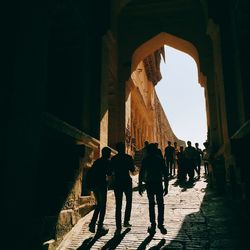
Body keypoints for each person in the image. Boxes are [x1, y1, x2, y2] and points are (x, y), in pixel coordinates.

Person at [139, 143, 169, 235]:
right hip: (158, 183)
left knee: (151, 204)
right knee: (160, 204)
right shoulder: (160, 160)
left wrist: (140, 185)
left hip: (150, 184)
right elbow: (165, 174)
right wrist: (166, 186)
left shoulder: (146, 159)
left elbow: (141, 173)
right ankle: (161, 224)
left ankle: (153, 224)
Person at [110, 142, 136, 235]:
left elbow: (110, 171)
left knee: (118, 204)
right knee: (129, 202)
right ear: (124, 148)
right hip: (126, 181)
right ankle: (126, 221)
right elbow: (132, 170)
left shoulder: (114, 158)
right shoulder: (128, 158)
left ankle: (118, 225)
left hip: (118, 182)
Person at [88, 147, 112, 235]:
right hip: (102, 185)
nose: (110, 155)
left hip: (95, 186)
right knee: (103, 205)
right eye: (109, 153)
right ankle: (100, 226)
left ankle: (92, 223)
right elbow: (109, 173)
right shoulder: (107, 162)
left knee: (99, 204)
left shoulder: (97, 161)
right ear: (107, 154)